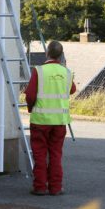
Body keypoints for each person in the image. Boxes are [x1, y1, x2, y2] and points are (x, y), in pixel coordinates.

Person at [24, 40, 76, 196]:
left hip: (40, 120)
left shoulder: (39, 71)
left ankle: (40, 187)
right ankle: (56, 187)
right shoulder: (66, 72)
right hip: (59, 122)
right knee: (55, 154)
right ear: (61, 55)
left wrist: (30, 108)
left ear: (47, 53)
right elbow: (72, 90)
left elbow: (30, 95)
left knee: (40, 154)